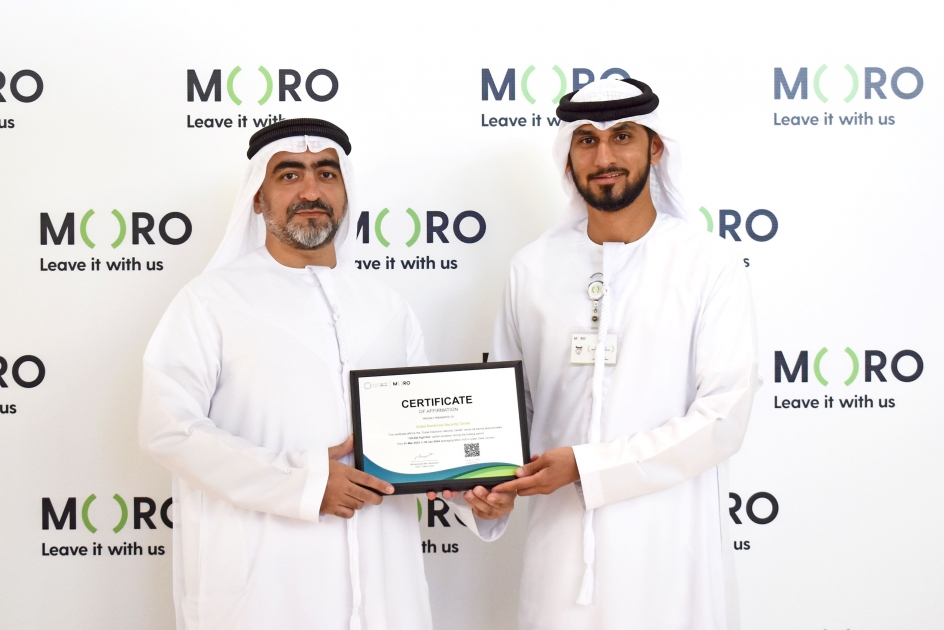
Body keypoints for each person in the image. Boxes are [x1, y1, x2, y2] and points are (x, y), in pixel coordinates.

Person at [138, 118, 499, 630]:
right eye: (289, 175)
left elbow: (423, 439)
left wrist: (473, 492)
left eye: (326, 174)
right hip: (264, 591)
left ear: (345, 191)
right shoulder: (208, 301)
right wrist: (302, 482)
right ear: (257, 197)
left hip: (384, 589)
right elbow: (168, 429)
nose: (311, 191)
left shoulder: (387, 307)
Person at [489, 78, 761, 629]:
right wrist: (488, 483)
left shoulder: (708, 264)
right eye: (587, 140)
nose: (604, 158)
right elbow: (503, 411)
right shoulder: (531, 269)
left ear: (654, 148)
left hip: (670, 551)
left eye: (622, 137)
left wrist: (587, 467)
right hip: (560, 557)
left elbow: (721, 420)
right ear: (568, 155)